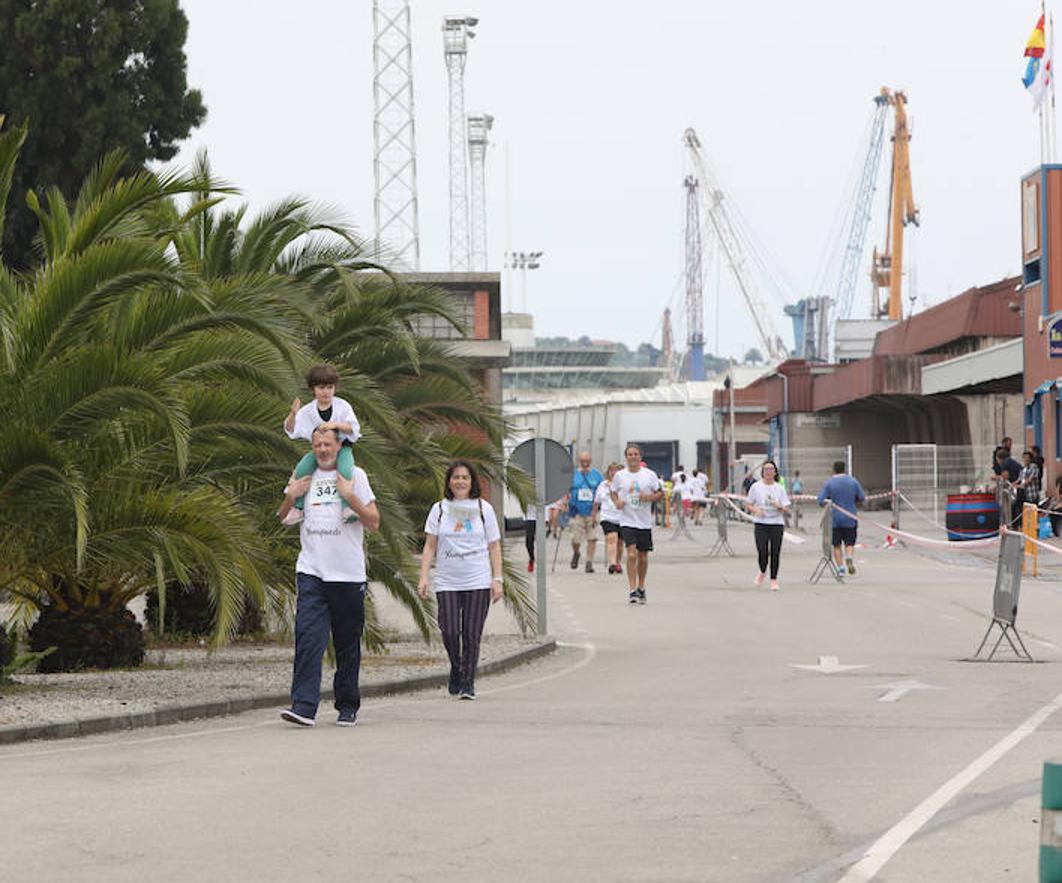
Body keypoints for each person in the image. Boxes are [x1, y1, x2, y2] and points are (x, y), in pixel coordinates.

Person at [278, 426, 380, 728]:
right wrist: (291, 496)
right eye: (317, 444)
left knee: (347, 643)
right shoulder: (303, 476)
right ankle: (304, 706)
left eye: (327, 444)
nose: (322, 449)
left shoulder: (355, 476)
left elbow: (374, 522)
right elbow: (283, 517)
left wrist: (350, 497)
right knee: (308, 638)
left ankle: (347, 704)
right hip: (312, 571)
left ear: (339, 446)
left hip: (348, 575)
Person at [418, 461, 504, 700]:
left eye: (465, 477)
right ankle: (456, 666)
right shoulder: (439, 509)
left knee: (471, 633)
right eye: (455, 477)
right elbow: (429, 545)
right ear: (449, 482)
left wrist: (498, 579)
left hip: (477, 578)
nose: (460, 482)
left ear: (472, 481)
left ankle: (468, 681)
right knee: (449, 630)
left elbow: (494, 546)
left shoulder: (483, 509)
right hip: (447, 580)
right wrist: (423, 576)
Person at [284, 364, 362, 522]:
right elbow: (291, 431)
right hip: (319, 451)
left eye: (329, 387)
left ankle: (347, 508)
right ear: (313, 389)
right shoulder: (307, 411)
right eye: (321, 387)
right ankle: (298, 508)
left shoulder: (343, 406)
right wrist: (293, 414)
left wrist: (335, 425)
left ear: (334, 388)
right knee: (302, 469)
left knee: (345, 470)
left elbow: (353, 428)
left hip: (342, 449)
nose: (326, 392)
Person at [611, 444, 664, 604]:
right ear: (626, 457)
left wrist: (648, 498)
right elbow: (613, 492)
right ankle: (632, 590)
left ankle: (641, 587)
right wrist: (617, 501)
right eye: (629, 454)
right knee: (632, 554)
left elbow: (660, 493)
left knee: (643, 556)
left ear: (640, 457)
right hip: (627, 520)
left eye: (635, 454)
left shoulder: (649, 475)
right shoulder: (620, 475)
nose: (633, 457)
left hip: (644, 522)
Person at [817, 460, 867, 578]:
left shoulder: (829, 483)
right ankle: (849, 557)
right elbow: (862, 497)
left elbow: (820, 500)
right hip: (850, 517)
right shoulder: (853, 481)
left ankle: (840, 568)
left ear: (833, 469)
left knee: (837, 545)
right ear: (844, 469)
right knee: (850, 542)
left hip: (835, 519)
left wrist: (828, 502)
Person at [747, 459, 791, 591]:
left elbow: (787, 509)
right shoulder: (756, 487)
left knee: (775, 552)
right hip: (761, 523)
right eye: (766, 469)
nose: (768, 472)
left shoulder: (779, 488)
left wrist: (780, 507)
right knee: (762, 550)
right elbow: (748, 503)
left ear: (775, 472)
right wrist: (756, 510)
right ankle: (762, 571)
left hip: (776, 523)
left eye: (771, 469)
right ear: (762, 472)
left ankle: (774, 579)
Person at [568, 452, 604, 573]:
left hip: (592, 511)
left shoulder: (597, 474)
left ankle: (589, 562)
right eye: (583, 460)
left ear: (590, 460)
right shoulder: (573, 474)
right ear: (579, 460)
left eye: (587, 460)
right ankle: (576, 552)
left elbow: (602, 490)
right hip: (576, 511)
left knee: (592, 537)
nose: (585, 462)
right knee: (575, 538)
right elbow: (566, 490)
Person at [594, 462, 624, 574]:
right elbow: (596, 502)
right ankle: (612, 564)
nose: (614, 473)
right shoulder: (603, 485)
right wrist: (593, 516)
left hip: (622, 518)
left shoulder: (625, 485)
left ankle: (618, 563)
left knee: (620, 542)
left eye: (616, 471)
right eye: (612, 470)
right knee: (612, 538)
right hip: (607, 517)